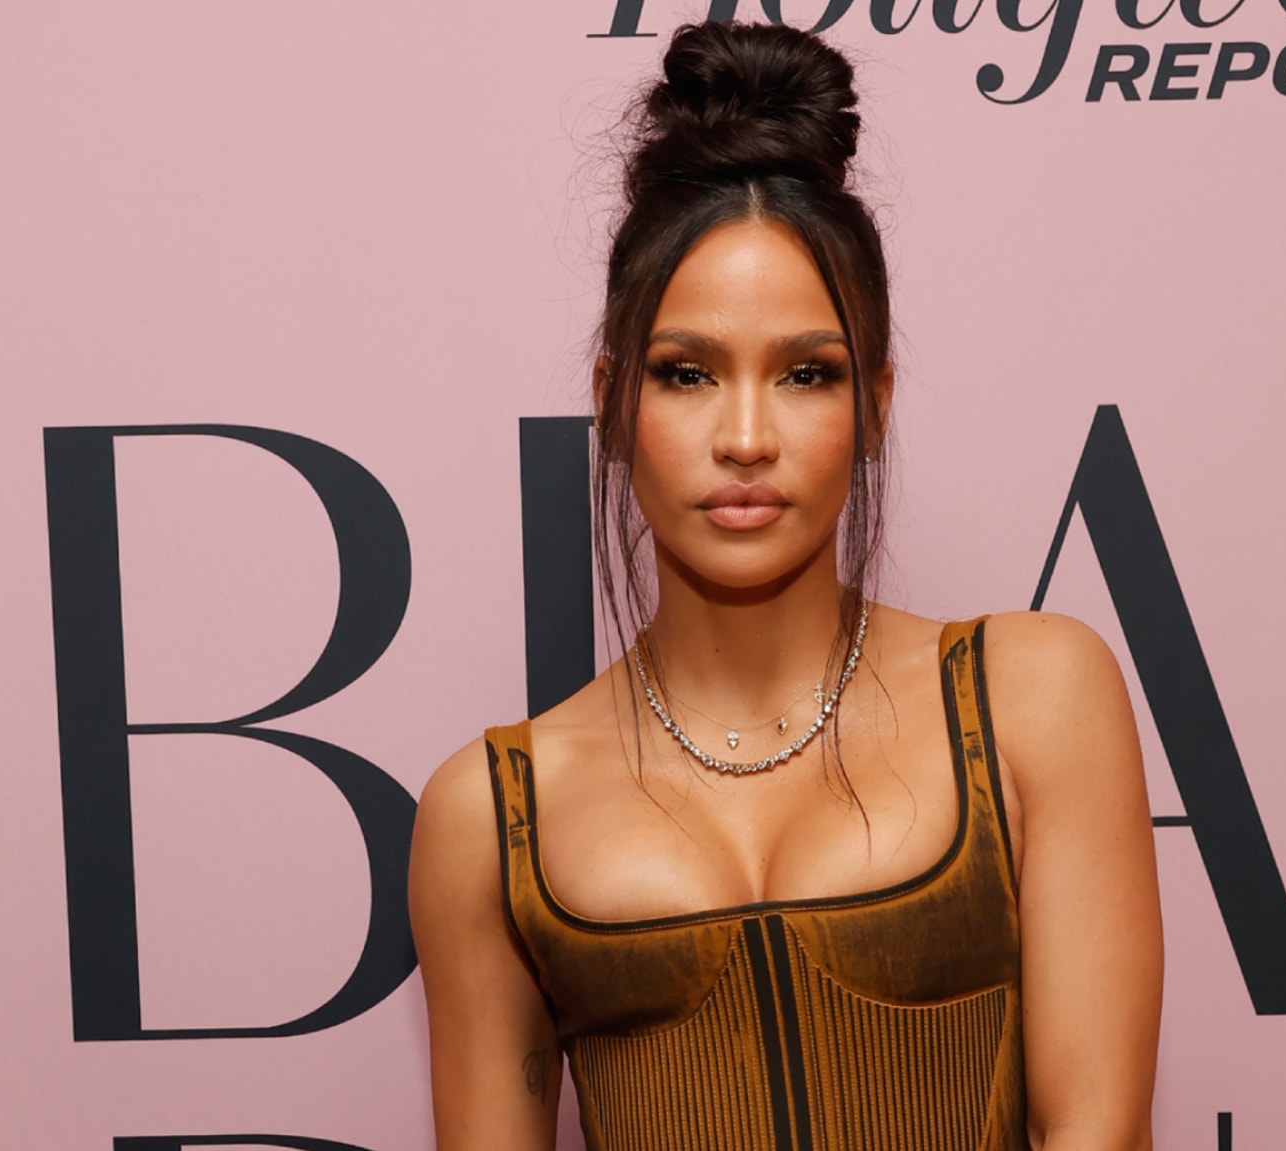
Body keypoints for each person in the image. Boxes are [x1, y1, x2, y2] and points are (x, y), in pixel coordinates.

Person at [409, 20, 1162, 1151]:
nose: (747, 436)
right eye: (687, 373)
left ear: (875, 403)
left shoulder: (1034, 699)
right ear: (615, 403)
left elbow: (1095, 1130)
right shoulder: (487, 813)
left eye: (806, 373)